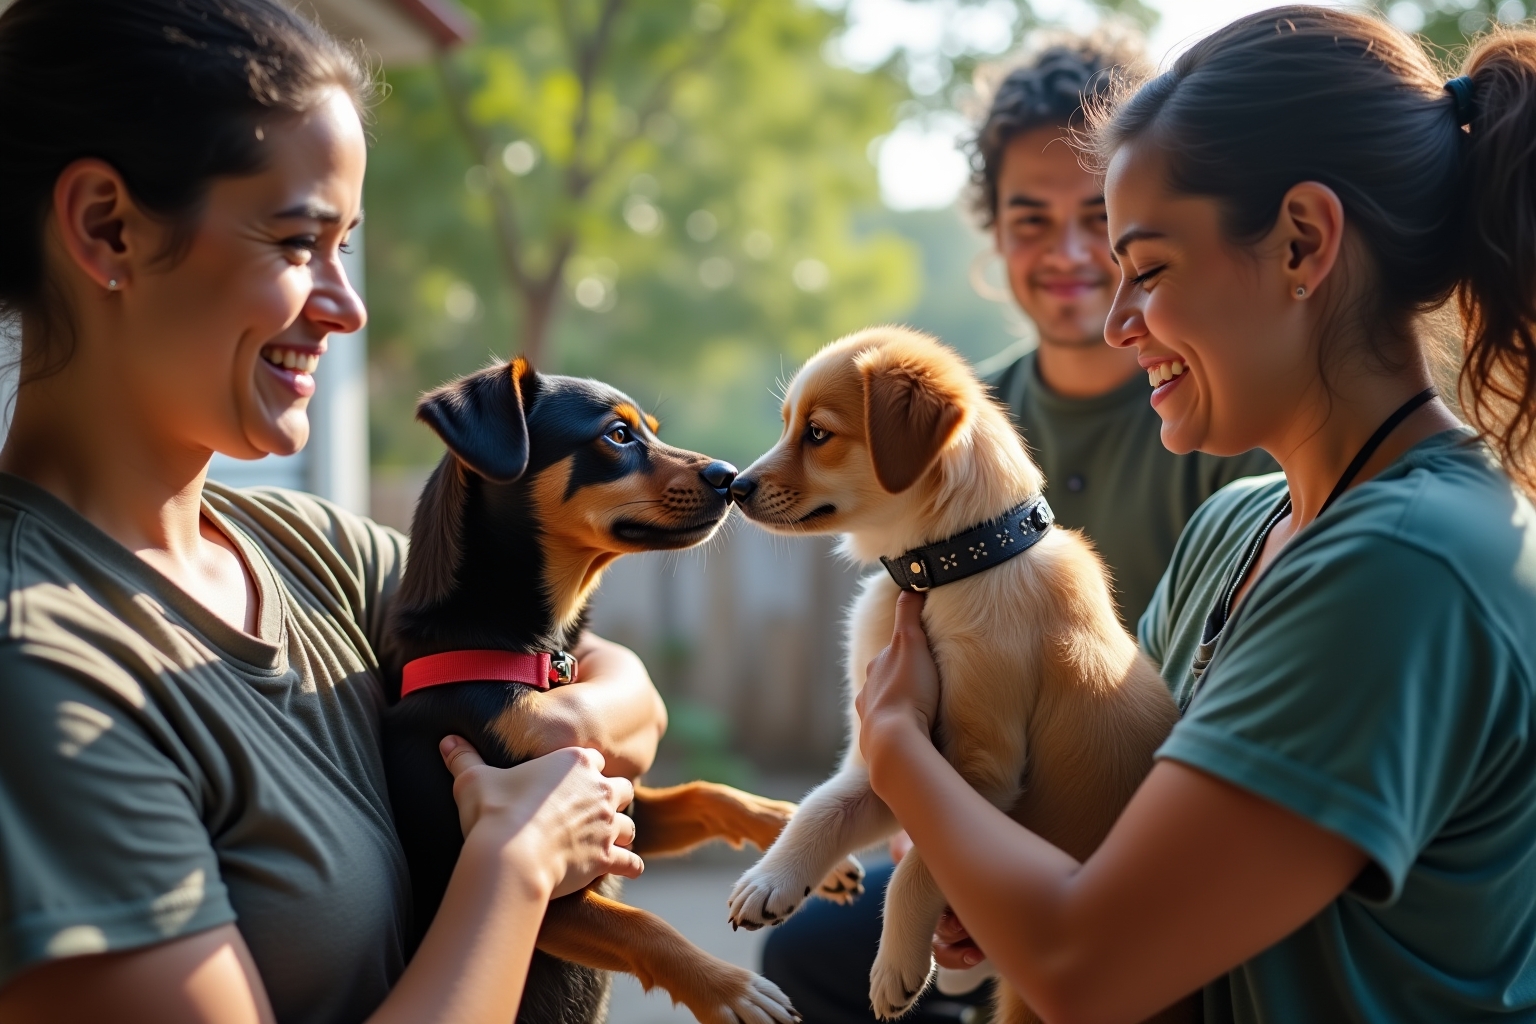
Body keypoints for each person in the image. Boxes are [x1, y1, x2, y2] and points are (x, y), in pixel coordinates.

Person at [857, 6, 1536, 1022]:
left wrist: (896, 745)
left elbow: (1090, 970)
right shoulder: (1244, 525)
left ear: (1303, 241)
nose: (1120, 321)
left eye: (1152, 268)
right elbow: (1115, 841)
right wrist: (993, 872)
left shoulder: (1407, 566)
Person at [0, 3, 665, 1023]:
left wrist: (561, 720)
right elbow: (537, 806)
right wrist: (519, 858)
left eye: (348, 244)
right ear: (107, 226)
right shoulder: (40, 666)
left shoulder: (319, 558)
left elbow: (620, 686)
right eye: (300, 240)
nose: (347, 304)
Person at [760, 31, 1274, 1024]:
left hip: (1143, 851)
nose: (1073, 254)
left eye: (1102, 221)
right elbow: (930, 694)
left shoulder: (1221, 423)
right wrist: (936, 856)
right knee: (808, 951)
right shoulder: (933, 423)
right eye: (1029, 218)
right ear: (991, 234)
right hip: (968, 836)